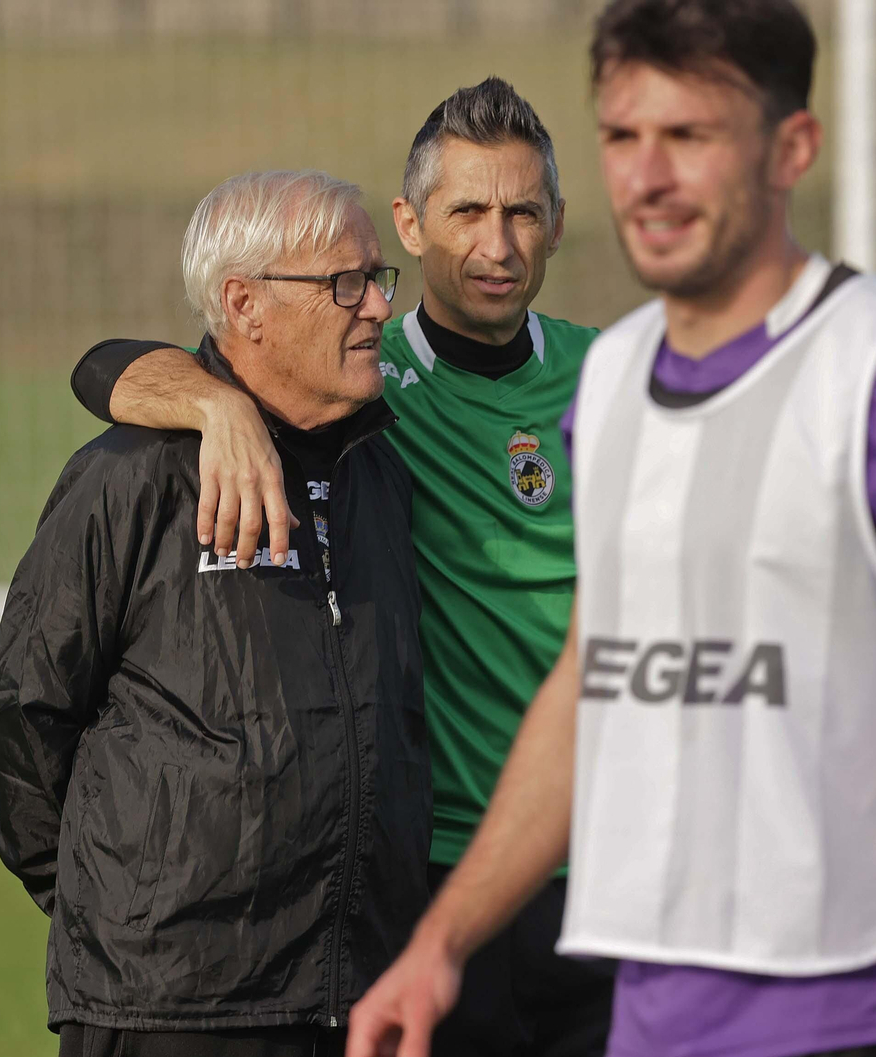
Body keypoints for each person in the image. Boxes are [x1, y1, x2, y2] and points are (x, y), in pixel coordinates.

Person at [346, 3, 876, 1057]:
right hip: (656, 1003)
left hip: (867, 1011)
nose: (646, 178)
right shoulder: (612, 387)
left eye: (689, 138)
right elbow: (592, 680)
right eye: (622, 137)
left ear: (790, 149)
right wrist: (443, 939)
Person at [70, 79, 617, 1057]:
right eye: (467, 214)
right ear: (408, 222)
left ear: (560, 223)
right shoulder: (367, 391)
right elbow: (109, 366)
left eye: (523, 213)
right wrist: (217, 406)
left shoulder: (621, 377)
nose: (496, 247)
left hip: (619, 869)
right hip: (439, 883)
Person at [0, 169, 431, 1057]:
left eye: (379, 278)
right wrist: (117, 897)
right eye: (346, 282)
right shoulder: (131, 476)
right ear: (245, 303)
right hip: (170, 1009)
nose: (378, 305)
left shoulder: (381, 473)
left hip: (358, 996)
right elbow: (23, 710)